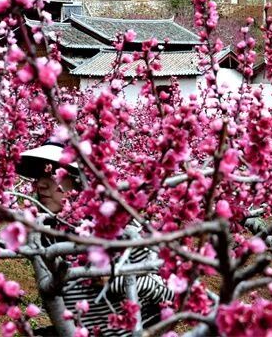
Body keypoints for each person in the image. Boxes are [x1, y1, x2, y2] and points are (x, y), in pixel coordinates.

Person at [17, 143, 173, 336]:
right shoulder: (43, 236)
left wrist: (117, 279)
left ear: (79, 180)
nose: (41, 184)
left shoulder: (118, 229)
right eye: (39, 175)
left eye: (52, 174)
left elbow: (168, 292)